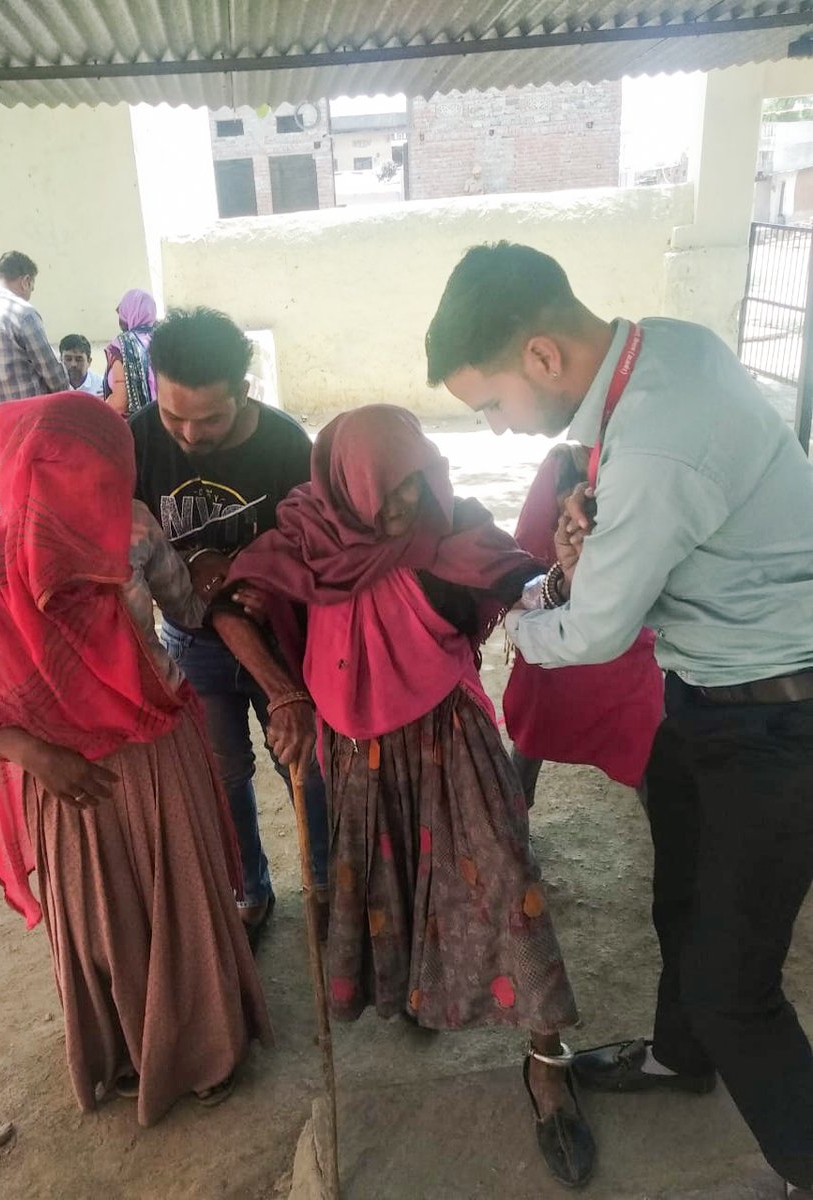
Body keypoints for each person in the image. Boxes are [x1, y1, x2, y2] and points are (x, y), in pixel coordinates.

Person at [426, 241, 813, 1199]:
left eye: (491, 403)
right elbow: (617, 565)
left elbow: (596, 631)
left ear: (544, 356)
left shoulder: (659, 440)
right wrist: (579, 560)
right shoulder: (663, 350)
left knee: (735, 987)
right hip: (709, 691)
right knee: (678, 896)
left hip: (783, 721)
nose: (499, 427)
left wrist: (519, 615)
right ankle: (679, 1061)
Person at [229, 405, 597, 1189]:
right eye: (387, 493)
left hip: (450, 734)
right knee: (384, 893)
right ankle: (416, 999)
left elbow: (525, 588)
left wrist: (564, 568)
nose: (403, 509)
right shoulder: (305, 537)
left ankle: (545, 1061)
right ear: (344, 484)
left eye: (415, 486)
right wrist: (283, 697)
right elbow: (231, 604)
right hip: (355, 753)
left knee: (507, 886)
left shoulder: (451, 527)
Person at [0, 392, 271, 1127]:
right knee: (101, 921)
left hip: (160, 747)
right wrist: (33, 754)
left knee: (184, 903)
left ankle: (205, 1050)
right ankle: (128, 1050)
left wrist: (227, 582)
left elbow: (185, 610)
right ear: (28, 467)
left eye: (103, 461)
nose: (90, 479)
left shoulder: (135, 525)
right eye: (69, 463)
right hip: (69, 778)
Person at [131, 306, 330, 948]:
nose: (188, 434)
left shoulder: (284, 444)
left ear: (245, 392)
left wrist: (270, 584)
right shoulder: (136, 440)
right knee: (223, 775)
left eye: (210, 418)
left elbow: (313, 549)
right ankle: (251, 887)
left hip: (280, 644)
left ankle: (327, 882)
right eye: (173, 415)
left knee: (304, 767)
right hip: (190, 644)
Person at [504, 442, 663, 807]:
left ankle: (512, 833)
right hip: (621, 635)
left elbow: (524, 551)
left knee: (533, 737)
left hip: (562, 638)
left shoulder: (564, 463)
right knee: (644, 745)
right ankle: (669, 840)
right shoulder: (639, 459)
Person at [0, 251, 68, 423]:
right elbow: (53, 376)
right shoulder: (23, 313)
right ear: (26, 281)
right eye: (31, 288)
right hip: (33, 422)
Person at [105, 288, 157, 416]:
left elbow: (120, 402)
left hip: (136, 426)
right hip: (167, 421)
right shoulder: (165, 339)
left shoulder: (122, 345)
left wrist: (101, 405)